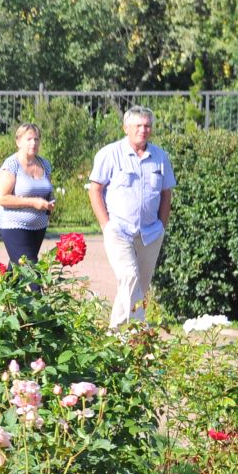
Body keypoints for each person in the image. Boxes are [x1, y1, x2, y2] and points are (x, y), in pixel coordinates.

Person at [87, 106, 175, 326]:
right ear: (126, 128)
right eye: (138, 126)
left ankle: (114, 334)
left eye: (147, 126)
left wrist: (161, 226)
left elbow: (166, 193)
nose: (143, 130)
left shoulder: (160, 156)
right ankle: (138, 334)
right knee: (129, 277)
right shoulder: (110, 154)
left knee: (139, 287)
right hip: (119, 230)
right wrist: (106, 225)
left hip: (151, 232)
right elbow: (95, 189)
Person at [0, 122, 55, 263]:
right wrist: (33, 202)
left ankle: (7, 284)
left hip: (38, 227)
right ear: (18, 142)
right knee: (31, 272)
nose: (33, 143)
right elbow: (1, 199)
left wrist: (50, 202)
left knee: (16, 273)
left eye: (36, 139)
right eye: (29, 139)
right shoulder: (11, 165)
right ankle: (35, 287)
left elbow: (47, 191)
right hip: (14, 225)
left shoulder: (45, 164)